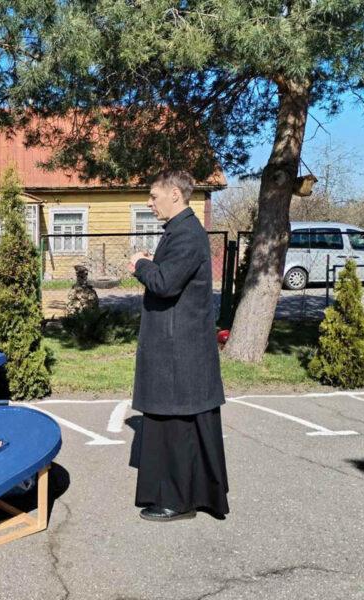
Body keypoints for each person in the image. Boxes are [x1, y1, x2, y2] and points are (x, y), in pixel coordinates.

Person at [128, 170, 229, 522]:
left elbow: (166, 283)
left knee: (177, 427)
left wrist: (140, 265)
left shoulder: (187, 233)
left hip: (179, 352)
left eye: (153, 196)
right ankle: (175, 494)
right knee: (172, 425)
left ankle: (178, 501)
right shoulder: (180, 230)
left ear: (175, 194)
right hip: (175, 348)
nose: (149, 203)